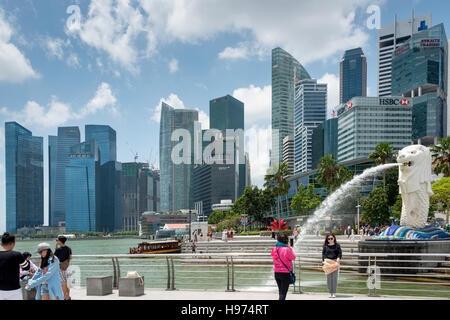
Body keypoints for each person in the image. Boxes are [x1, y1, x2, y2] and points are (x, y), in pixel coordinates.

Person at [0, 232, 29, 300]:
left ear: (1, 243)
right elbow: (26, 267)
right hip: (14, 290)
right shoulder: (17, 255)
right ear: (13, 243)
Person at [271, 233, 296, 300]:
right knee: (283, 293)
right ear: (286, 240)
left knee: (281, 291)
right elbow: (293, 257)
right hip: (285, 273)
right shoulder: (287, 249)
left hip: (276, 272)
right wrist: (290, 248)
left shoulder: (274, 249)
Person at [322, 233, 342, 298]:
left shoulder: (337, 246)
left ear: (334, 238)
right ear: (327, 239)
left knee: (334, 278)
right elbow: (323, 255)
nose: (330, 240)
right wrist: (325, 262)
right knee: (329, 279)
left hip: (335, 263)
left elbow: (339, 254)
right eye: (329, 239)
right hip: (327, 263)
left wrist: (337, 262)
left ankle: (334, 293)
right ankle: (330, 292)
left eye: (331, 238)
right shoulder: (325, 247)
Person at [55, 235, 72, 300]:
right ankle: (68, 296)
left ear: (59, 241)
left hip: (61, 268)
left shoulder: (58, 250)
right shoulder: (68, 248)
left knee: (63, 283)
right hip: (68, 266)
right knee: (68, 283)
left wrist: (56, 246)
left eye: (57, 240)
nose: (57, 241)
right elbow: (70, 257)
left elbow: (54, 257)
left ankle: (65, 297)